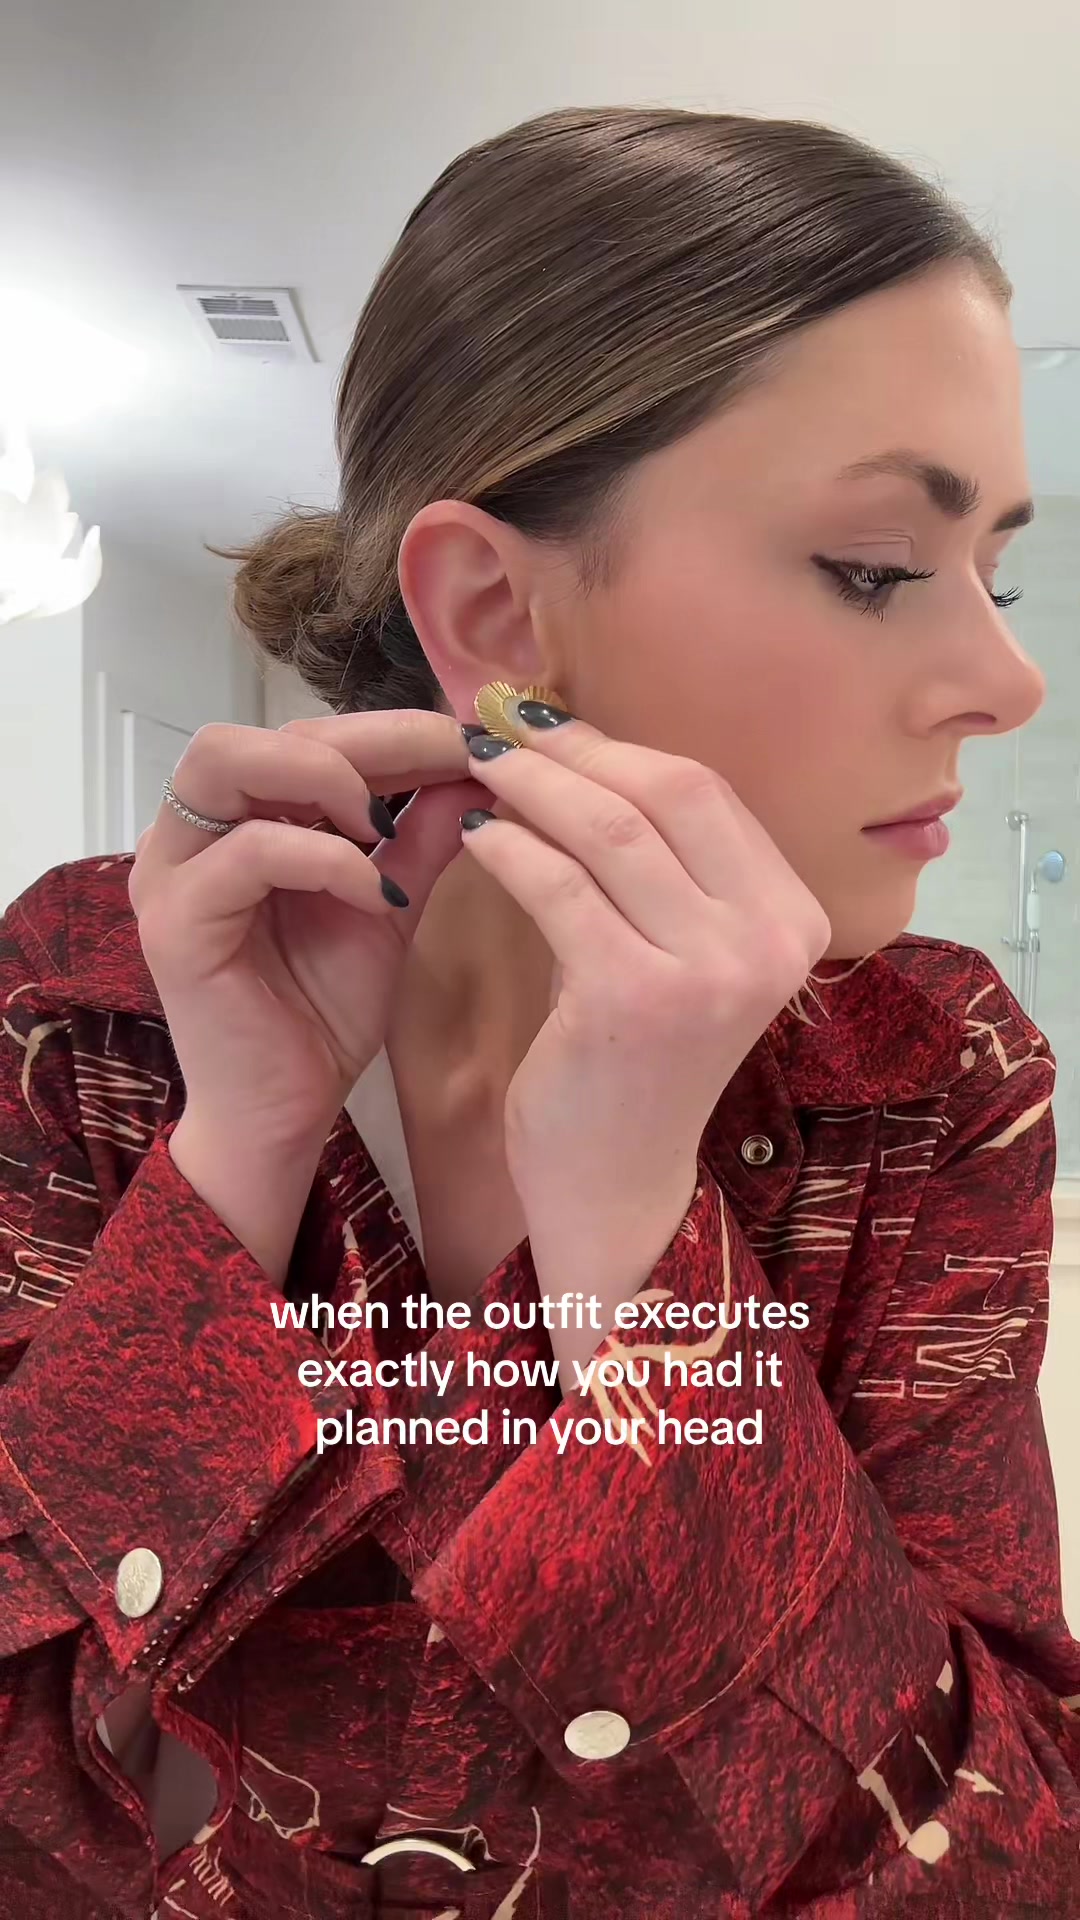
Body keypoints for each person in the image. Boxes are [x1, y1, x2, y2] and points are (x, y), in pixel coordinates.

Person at [0, 103, 1077, 1920]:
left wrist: (646, 1270)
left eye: (1002, 571)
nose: (1007, 677)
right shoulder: (83, 1003)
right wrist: (232, 1164)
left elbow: (1002, 1858)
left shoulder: (932, 1075)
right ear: (497, 613)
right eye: (883, 568)